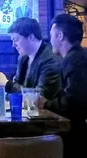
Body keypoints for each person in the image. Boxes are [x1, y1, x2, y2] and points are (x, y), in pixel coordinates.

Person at [37, 14, 87, 158]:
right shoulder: (77, 56)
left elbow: (74, 102)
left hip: (78, 136)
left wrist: (46, 104)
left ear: (60, 36)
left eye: (51, 35)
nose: (50, 40)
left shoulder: (74, 60)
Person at [0, 18, 62, 99]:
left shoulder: (51, 61)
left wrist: (6, 83)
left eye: (16, 40)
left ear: (31, 37)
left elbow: (40, 98)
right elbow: (16, 89)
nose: (13, 45)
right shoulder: (23, 57)